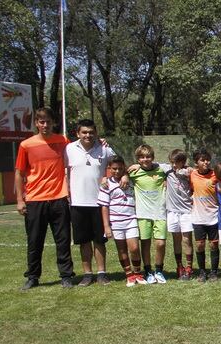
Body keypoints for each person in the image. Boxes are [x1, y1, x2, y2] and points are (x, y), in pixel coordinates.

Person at [15, 108, 75, 289]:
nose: (45, 125)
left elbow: (80, 150)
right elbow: (19, 173)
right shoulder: (26, 145)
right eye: (41, 122)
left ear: (53, 122)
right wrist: (20, 199)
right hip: (35, 199)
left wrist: (101, 143)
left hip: (59, 198)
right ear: (36, 123)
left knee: (63, 239)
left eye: (48, 121)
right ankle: (33, 277)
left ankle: (66, 275)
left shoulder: (63, 141)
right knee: (34, 240)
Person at [65, 118, 115, 286]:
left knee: (99, 241)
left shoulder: (104, 149)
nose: (88, 135)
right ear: (78, 133)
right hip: (78, 203)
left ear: (96, 133)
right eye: (84, 132)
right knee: (84, 241)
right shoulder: (69, 148)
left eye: (91, 132)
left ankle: (101, 273)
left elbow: (118, 165)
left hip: (99, 204)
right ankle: (87, 274)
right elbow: (64, 171)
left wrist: (123, 175)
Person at [98, 156, 145, 286]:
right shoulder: (106, 184)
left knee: (134, 248)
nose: (117, 171)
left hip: (131, 220)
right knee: (122, 249)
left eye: (120, 168)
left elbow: (144, 166)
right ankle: (129, 275)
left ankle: (138, 273)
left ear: (124, 167)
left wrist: (127, 174)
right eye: (114, 169)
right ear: (109, 169)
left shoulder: (130, 179)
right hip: (116, 222)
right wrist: (107, 226)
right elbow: (104, 207)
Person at [129, 144, 168, 284]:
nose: (145, 159)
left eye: (148, 156)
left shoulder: (161, 169)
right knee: (145, 244)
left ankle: (159, 270)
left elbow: (175, 165)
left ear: (153, 157)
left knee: (161, 244)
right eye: (142, 157)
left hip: (160, 213)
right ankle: (148, 271)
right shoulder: (133, 172)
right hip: (143, 214)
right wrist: (125, 176)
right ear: (138, 159)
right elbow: (119, 173)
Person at [190, 148, 220, 282]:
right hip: (198, 217)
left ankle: (214, 272)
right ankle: (202, 272)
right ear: (196, 162)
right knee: (200, 245)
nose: (206, 162)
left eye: (208, 160)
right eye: (202, 160)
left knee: (214, 245)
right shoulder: (191, 174)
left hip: (213, 217)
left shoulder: (216, 174)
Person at [164, 149, 194, 280]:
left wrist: (189, 171)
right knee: (176, 239)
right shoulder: (167, 170)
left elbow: (195, 173)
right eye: (172, 162)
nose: (174, 165)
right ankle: (179, 266)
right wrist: (136, 165)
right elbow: (151, 165)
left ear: (183, 162)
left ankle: (189, 267)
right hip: (172, 212)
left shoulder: (188, 172)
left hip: (187, 211)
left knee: (187, 239)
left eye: (177, 163)